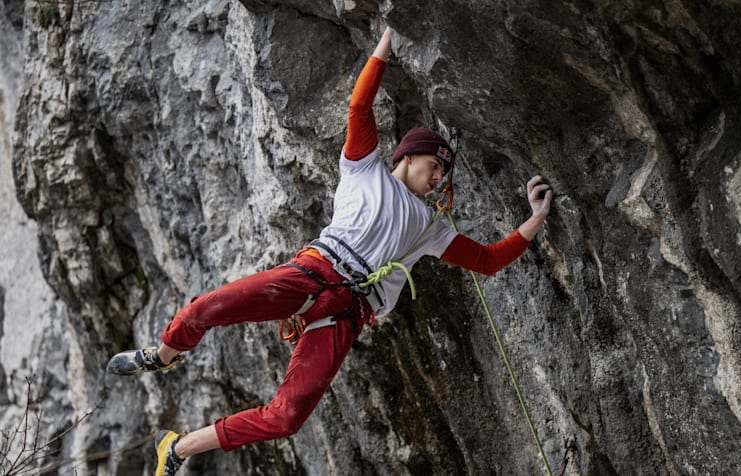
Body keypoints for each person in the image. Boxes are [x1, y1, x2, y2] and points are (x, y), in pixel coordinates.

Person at [106, 26, 552, 475]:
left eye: (442, 175)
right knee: (208, 307)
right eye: (435, 166)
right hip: (312, 274)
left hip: (346, 312)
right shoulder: (363, 169)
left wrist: (534, 217)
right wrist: (390, 35)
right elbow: (360, 104)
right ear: (409, 156)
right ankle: (162, 355)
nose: (437, 179)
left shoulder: (429, 229)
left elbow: (488, 260)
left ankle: (178, 449)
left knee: (286, 418)